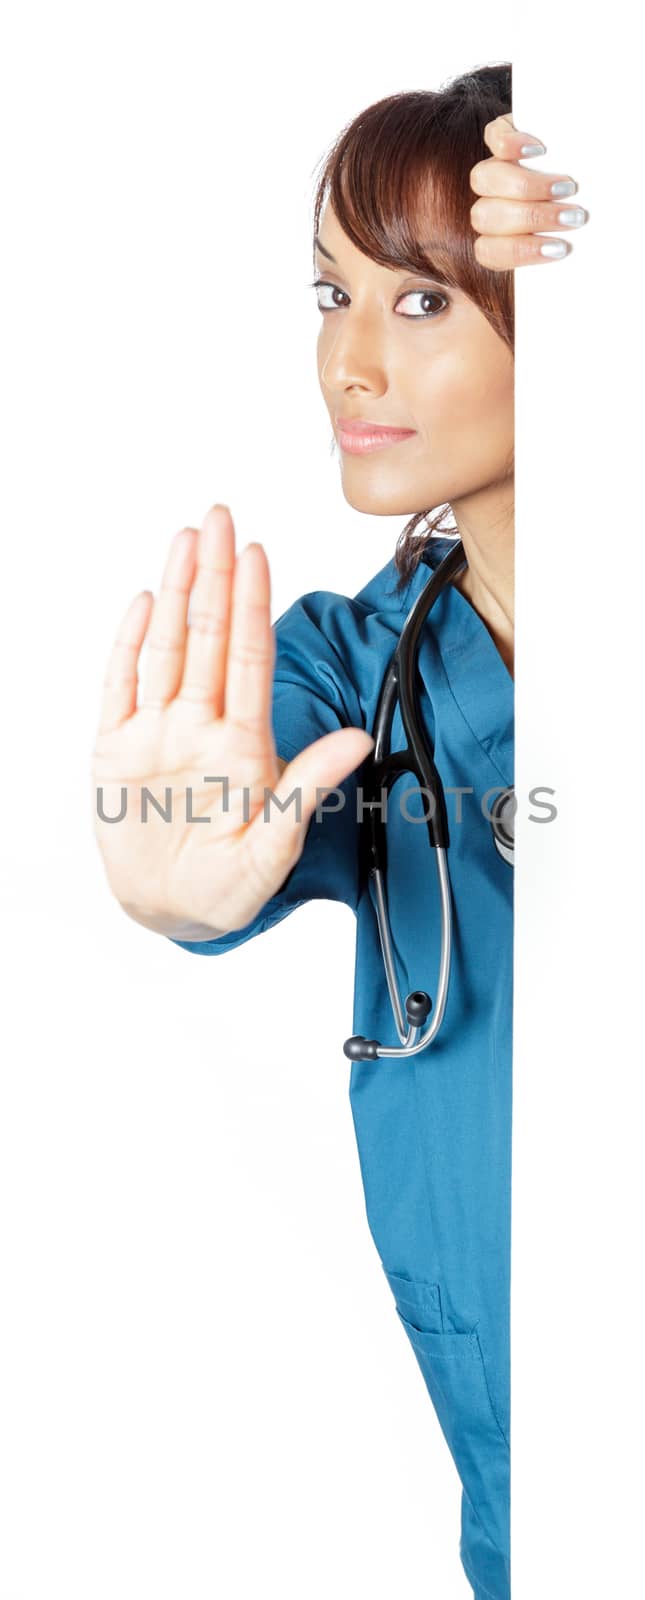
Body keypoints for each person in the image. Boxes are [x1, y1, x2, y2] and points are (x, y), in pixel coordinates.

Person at [92, 63, 588, 1600]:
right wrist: (159, 865)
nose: (348, 365)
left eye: (423, 305)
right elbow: (201, 816)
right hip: (539, 1480)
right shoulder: (341, 664)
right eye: (330, 293)